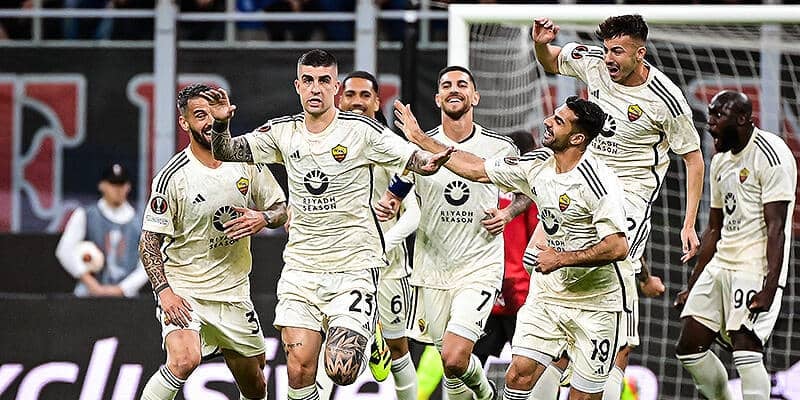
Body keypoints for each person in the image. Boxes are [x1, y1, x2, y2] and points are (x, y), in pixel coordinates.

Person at [206, 49, 453, 400]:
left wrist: (429, 161)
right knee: (298, 369)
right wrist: (220, 124)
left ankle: (370, 332)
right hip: (302, 269)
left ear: (335, 87)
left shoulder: (361, 130)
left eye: (324, 81)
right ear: (297, 86)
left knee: (341, 369)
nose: (315, 88)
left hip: (353, 267)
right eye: (308, 80)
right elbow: (225, 151)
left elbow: (411, 159)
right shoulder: (282, 132)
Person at [394, 95, 628, 400]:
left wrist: (561, 259)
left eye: (558, 121)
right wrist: (421, 139)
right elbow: (477, 168)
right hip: (547, 297)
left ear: (577, 138)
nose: (548, 122)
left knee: (583, 397)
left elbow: (617, 246)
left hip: (595, 303)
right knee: (517, 374)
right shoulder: (537, 163)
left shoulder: (598, 182)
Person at [532, 14, 704, 399]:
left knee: (614, 264)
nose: (609, 58)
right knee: (547, 272)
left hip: (631, 196)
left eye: (619, 52)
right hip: (585, 184)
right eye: (607, 49)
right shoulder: (594, 63)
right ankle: (566, 342)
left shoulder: (666, 99)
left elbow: (694, 159)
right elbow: (551, 60)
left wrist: (689, 223)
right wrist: (541, 44)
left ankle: (609, 344)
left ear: (640, 54)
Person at [377, 66, 527, 400]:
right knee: (451, 367)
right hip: (432, 268)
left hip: (479, 266)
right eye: (446, 85)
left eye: (462, 84)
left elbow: (526, 190)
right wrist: (391, 201)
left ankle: (486, 395)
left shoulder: (499, 147)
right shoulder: (416, 147)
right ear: (437, 98)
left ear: (475, 96)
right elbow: (400, 183)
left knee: (455, 356)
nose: (454, 89)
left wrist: (507, 213)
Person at [138, 83, 288, 400]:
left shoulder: (245, 161)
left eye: (212, 114)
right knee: (184, 359)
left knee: (256, 385)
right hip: (186, 289)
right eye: (199, 115)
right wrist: (165, 293)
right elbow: (148, 242)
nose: (208, 122)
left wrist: (263, 218)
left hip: (233, 293)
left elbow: (280, 208)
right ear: (184, 122)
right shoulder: (172, 177)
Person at [674, 90, 796, 400]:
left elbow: (777, 228)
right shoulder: (720, 161)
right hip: (721, 264)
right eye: (710, 115)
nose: (710, 123)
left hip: (754, 267)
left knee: (746, 349)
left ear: (742, 119)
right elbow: (715, 228)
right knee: (689, 349)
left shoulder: (771, 155)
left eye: (718, 116)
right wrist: (693, 284)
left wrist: (769, 288)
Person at [338, 70, 422, 399]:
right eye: (350, 95)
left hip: (388, 268)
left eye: (365, 95)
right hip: (339, 265)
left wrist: (383, 244)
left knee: (398, 349)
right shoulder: (322, 145)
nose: (357, 101)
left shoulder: (394, 149)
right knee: (332, 347)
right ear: (339, 100)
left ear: (376, 102)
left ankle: (378, 340)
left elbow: (413, 213)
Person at [473, 130, 539, 367]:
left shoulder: (489, 185)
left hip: (488, 283)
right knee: (529, 365)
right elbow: (537, 241)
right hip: (520, 290)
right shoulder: (531, 191)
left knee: (471, 361)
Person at [55, 162, 148, 298]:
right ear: (102, 185)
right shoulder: (85, 214)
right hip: (88, 295)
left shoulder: (141, 222)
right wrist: (90, 282)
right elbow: (64, 250)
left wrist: (122, 289)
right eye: (112, 184)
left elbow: (147, 264)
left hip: (127, 300)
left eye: (121, 184)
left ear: (128, 187)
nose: (117, 189)